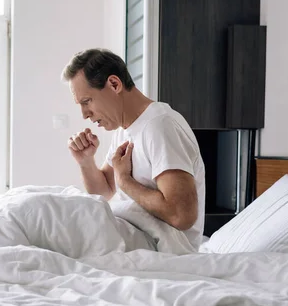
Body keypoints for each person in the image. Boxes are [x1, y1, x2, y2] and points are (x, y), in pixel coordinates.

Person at [62, 48, 206, 249]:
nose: (85, 114)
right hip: (131, 236)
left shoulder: (160, 126)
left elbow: (181, 215)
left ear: (114, 84)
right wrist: (86, 161)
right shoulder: (125, 130)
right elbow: (103, 190)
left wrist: (125, 181)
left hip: (162, 248)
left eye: (87, 101)